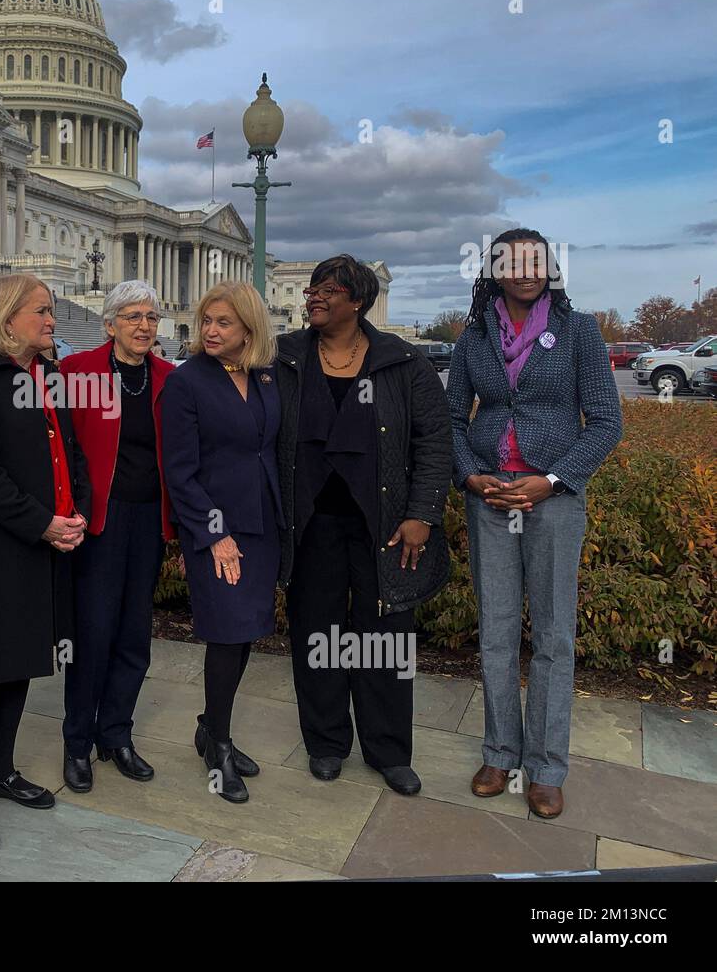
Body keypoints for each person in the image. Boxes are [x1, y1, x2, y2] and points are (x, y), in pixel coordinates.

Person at [448, 228, 622, 819]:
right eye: (511, 261)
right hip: (490, 500)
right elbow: (449, 420)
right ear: (493, 270)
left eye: (536, 260)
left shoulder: (579, 332)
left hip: (553, 501)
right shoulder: (474, 338)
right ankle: (500, 753)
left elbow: (604, 422)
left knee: (552, 636)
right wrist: (471, 474)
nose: (525, 269)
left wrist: (550, 480)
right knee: (496, 632)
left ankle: (547, 768)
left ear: (550, 268)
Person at [275, 255, 452, 796]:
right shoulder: (283, 356)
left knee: (385, 638)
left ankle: (388, 750)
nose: (314, 298)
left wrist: (421, 514)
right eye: (312, 289)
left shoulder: (402, 362)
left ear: (357, 300)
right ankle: (326, 743)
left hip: (385, 528)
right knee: (318, 635)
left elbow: (434, 443)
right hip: (310, 525)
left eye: (328, 290)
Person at [0, 273, 90, 852]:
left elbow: (65, 448)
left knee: (22, 659)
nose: (52, 321)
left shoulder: (48, 374)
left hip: (43, 543)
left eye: (51, 311)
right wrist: (42, 523)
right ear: (6, 319)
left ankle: (1, 770)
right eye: (42, 312)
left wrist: (72, 513)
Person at [161, 281, 281, 804]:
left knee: (247, 631)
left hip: (265, 524)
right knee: (226, 634)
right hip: (215, 529)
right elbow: (180, 472)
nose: (210, 330)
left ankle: (212, 728)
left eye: (223, 322)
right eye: (206, 320)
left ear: (249, 328)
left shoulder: (266, 377)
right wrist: (214, 535)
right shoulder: (186, 384)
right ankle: (220, 745)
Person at [58, 280, 175, 792]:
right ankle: (77, 742)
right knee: (93, 632)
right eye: (132, 316)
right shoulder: (76, 372)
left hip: (150, 518)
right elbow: (56, 448)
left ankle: (117, 734)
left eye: (150, 317)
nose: (144, 326)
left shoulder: (171, 379)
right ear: (109, 324)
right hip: (98, 521)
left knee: (134, 632)